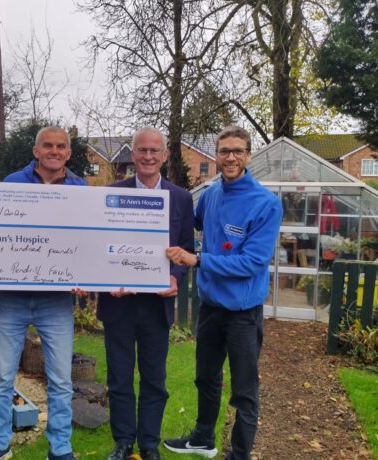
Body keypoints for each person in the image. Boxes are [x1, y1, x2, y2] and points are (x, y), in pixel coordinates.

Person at [163, 126, 282, 460]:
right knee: (205, 378)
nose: (230, 158)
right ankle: (203, 439)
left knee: (244, 391)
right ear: (216, 155)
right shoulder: (211, 195)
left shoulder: (266, 204)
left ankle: (239, 454)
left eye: (237, 151)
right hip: (211, 308)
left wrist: (199, 259)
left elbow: (252, 262)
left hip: (243, 314)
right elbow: (190, 224)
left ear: (248, 155)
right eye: (224, 151)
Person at [0, 126, 86, 460]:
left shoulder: (80, 189)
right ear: (36, 151)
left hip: (56, 301)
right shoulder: (13, 184)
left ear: (68, 153)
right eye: (48, 146)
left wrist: (86, 274)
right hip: (12, 298)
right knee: (2, 378)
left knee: (61, 380)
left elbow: (86, 239)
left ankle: (60, 448)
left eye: (61, 146)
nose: (54, 151)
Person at [98, 126, 194, 460]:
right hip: (119, 304)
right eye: (142, 150)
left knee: (154, 379)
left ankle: (149, 444)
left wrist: (175, 277)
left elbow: (186, 248)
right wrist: (106, 280)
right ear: (133, 154)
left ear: (164, 155)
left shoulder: (181, 198)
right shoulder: (110, 194)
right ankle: (124, 441)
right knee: (119, 378)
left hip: (156, 305)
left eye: (154, 151)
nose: (148, 156)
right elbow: (98, 246)